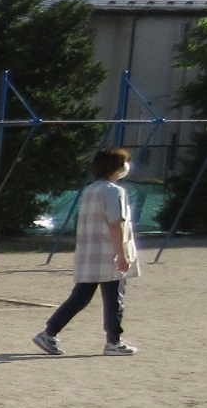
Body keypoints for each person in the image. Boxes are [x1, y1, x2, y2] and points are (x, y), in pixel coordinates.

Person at [33, 147, 140, 357]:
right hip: (108, 254)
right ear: (117, 167)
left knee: (80, 298)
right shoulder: (114, 191)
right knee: (114, 299)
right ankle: (114, 342)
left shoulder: (91, 190)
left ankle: (49, 332)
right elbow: (116, 224)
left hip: (89, 254)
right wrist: (123, 254)